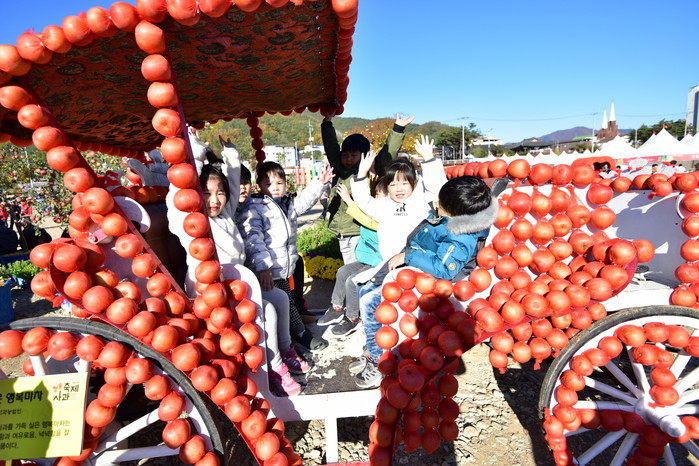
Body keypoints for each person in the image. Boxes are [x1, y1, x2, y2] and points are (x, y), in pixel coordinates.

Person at [166, 130, 309, 397]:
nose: (215, 200)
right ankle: (274, 368)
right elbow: (179, 191)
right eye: (206, 193)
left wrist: (231, 154)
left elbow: (232, 183)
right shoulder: (189, 221)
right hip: (212, 293)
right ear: (195, 195)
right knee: (267, 310)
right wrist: (194, 150)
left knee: (279, 297)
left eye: (220, 193)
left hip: (238, 286)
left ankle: (286, 350)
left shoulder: (224, 215)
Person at [352, 175, 499, 389]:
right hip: (413, 268)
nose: (437, 204)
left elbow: (444, 268)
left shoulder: (461, 236)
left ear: (455, 212)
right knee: (365, 289)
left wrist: (410, 256)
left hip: (428, 281)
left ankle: (377, 359)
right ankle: (372, 346)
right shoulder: (449, 219)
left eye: (442, 203)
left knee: (370, 303)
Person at [237, 161, 333, 354]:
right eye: (269, 184)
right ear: (259, 186)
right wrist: (264, 267)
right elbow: (254, 239)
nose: (275, 188)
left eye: (279, 183)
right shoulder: (255, 208)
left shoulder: (287, 203)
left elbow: (304, 201)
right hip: (270, 269)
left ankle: (290, 332)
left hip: (285, 265)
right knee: (285, 300)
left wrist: (320, 183)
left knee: (289, 298)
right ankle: (300, 334)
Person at [322, 112, 414, 264]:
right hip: (341, 230)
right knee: (348, 265)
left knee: (358, 267)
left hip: (359, 229)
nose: (348, 159)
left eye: (354, 155)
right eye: (345, 155)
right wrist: (326, 124)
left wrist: (398, 129)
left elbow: (387, 154)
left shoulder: (371, 168)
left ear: (364, 155)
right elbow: (331, 146)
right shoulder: (339, 167)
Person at [317, 177, 388, 337]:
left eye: (380, 195)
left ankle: (353, 318)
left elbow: (367, 221)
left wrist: (349, 201)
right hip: (366, 260)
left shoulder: (384, 217)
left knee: (352, 281)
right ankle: (336, 308)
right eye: (376, 194)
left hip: (378, 263)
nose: (376, 198)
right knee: (342, 272)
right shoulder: (373, 209)